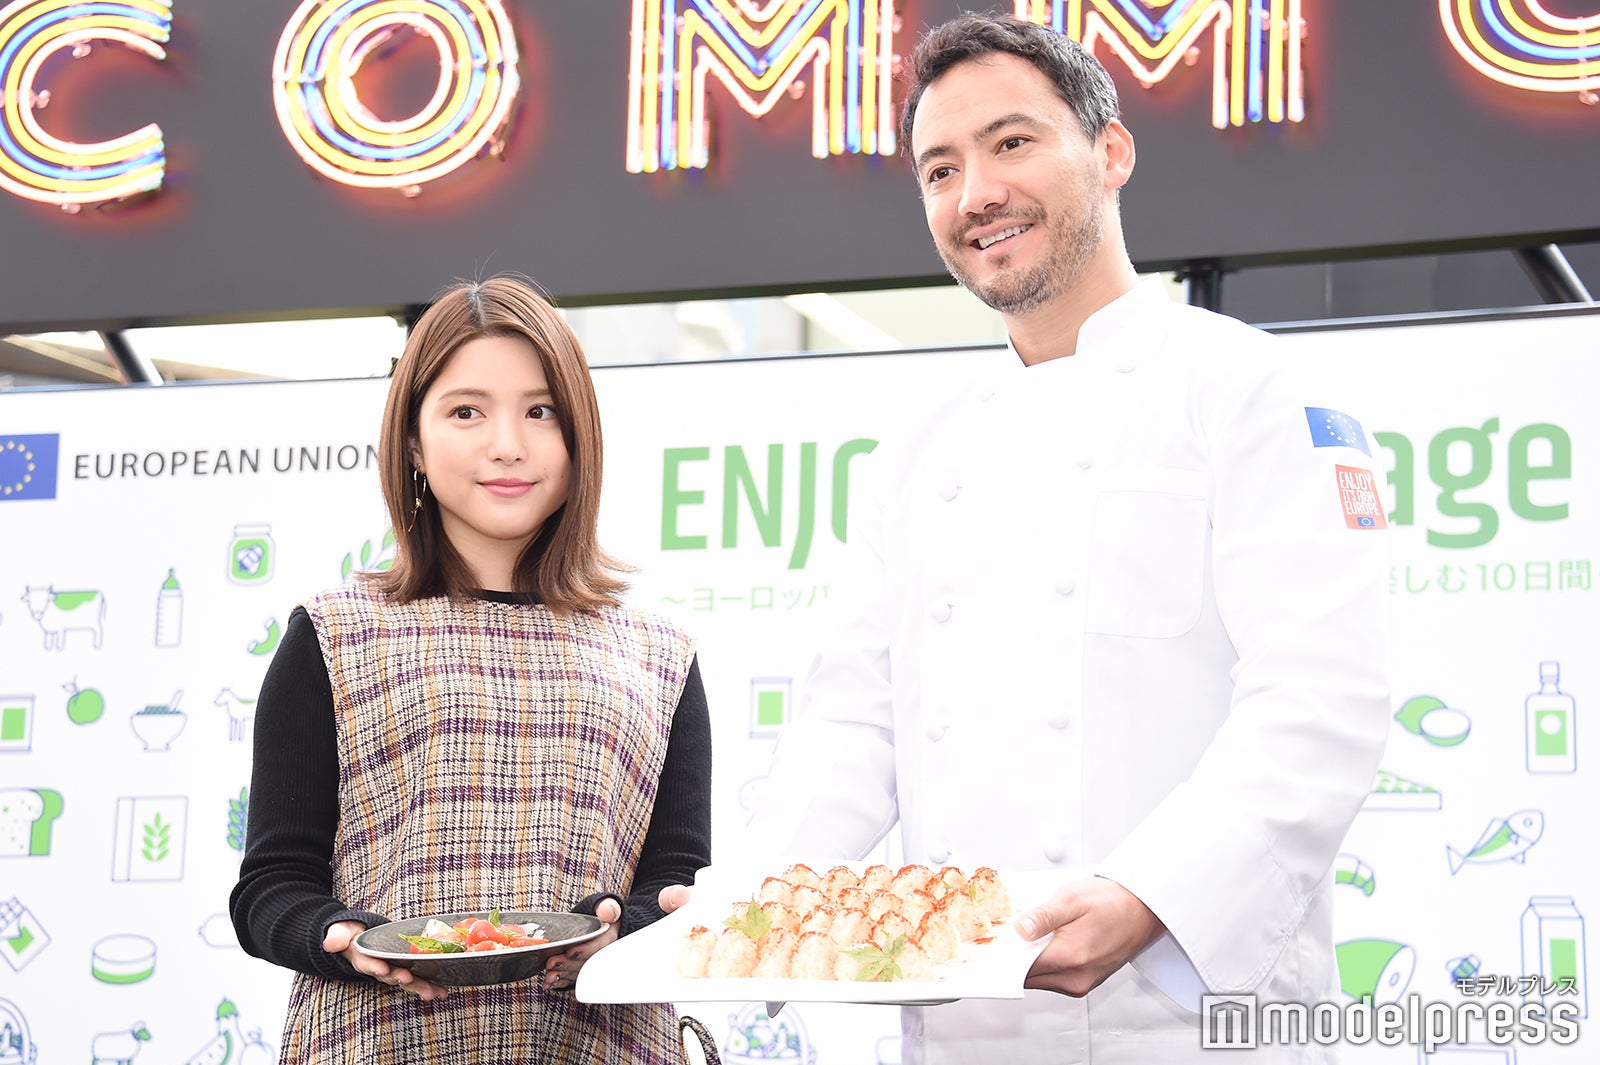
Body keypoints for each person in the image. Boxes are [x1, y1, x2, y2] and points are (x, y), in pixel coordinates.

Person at [665, 12, 1390, 1064]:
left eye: (1011, 142)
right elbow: (853, 726)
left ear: (1111, 151)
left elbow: (1322, 697)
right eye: (939, 170)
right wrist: (749, 907)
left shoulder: (1252, 391)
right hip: (966, 1027)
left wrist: (1150, 894)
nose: (976, 194)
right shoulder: (921, 453)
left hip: (1189, 1023)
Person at [231, 275, 712, 1063]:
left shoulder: (660, 655)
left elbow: (678, 884)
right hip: (379, 1043)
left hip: (602, 1044)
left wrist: (618, 929)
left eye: (540, 410)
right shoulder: (333, 633)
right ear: (412, 442)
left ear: (578, 437)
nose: (507, 443)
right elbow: (271, 886)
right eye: (466, 411)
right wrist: (342, 937)